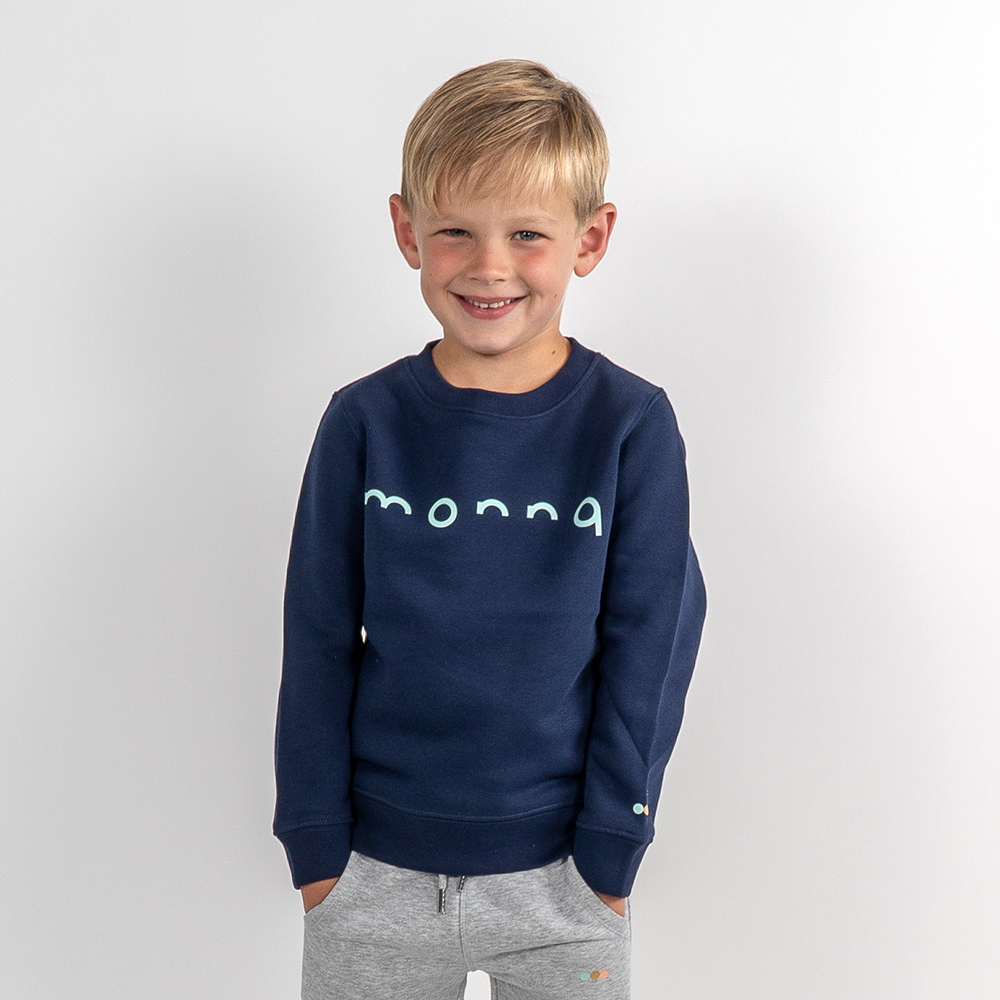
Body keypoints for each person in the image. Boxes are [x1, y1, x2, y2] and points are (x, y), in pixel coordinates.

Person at [273, 58, 706, 1000]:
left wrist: (610, 850)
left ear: (591, 238)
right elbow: (316, 635)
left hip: (564, 883)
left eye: (527, 234)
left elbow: (653, 645)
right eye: (456, 231)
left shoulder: (631, 426)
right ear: (407, 231)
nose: (489, 266)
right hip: (370, 876)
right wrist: (315, 847)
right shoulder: (363, 422)